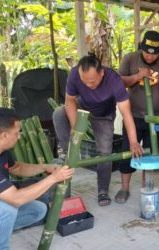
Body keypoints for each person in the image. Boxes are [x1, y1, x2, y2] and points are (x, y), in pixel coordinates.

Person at [0, 108, 74, 250]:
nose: (19, 136)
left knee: (37, 210)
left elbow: (18, 168)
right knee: (7, 208)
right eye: (16, 132)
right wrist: (53, 178)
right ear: (4, 135)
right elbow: (15, 198)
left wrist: (45, 167)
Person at [53, 55, 143, 206]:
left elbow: (126, 113)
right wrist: (76, 129)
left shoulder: (114, 80)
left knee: (105, 151)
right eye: (84, 81)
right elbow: (70, 100)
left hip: (104, 115)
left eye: (92, 81)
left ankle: (102, 190)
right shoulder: (74, 74)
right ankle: (69, 151)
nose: (88, 85)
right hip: (82, 106)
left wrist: (134, 141)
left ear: (102, 73)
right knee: (59, 113)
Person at [115, 31, 159, 203]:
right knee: (128, 151)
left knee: (151, 153)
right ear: (141, 47)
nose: (149, 56)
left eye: (154, 53)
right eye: (147, 52)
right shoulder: (130, 59)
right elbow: (119, 83)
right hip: (132, 116)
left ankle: (145, 186)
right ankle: (124, 188)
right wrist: (137, 76)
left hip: (156, 117)